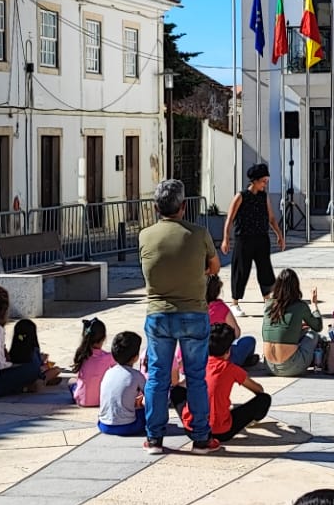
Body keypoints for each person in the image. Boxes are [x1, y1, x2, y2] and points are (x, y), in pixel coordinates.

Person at [136, 180, 222, 456]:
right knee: (196, 376)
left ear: (154, 207)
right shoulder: (199, 234)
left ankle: (154, 439)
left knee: (157, 377)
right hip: (194, 312)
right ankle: (200, 438)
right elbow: (215, 267)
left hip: (159, 313)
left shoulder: (145, 235)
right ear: (184, 207)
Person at [178, 324, 272, 443]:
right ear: (228, 351)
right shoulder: (231, 368)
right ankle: (253, 419)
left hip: (192, 429)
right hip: (221, 432)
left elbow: (183, 385)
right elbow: (258, 390)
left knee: (177, 391)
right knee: (264, 399)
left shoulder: (198, 364)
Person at [221, 162, 284, 304]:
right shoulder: (241, 196)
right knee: (241, 270)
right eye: (263, 181)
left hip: (261, 237)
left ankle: (267, 299)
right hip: (244, 238)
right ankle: (235, 302)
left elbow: (271, 218)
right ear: (255, 181)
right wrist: (226, 238)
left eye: (266, 181)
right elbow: (230, 218)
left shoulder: (263, 196)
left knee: (265, 268)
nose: (265, 184)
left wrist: (279, 235)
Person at [261, 270, 324, 378]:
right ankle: (319, 360)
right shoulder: (300, 306)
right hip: (291, 367)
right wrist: (314, 305)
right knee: (312, 334)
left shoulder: (269, 304)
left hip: (269, 366)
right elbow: (317, 326)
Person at [96, 331, 148, 436]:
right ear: (135, 357)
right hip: (128, 427)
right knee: (145, 412)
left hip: (103, 425)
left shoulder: (108, 372)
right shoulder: (136, 375)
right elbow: (150, 395)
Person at [6, 319, 62, 388]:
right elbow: (38, 366)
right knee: (57, 370)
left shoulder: (14, 350)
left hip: (17, 375)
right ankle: (44, 381)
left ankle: (44, 381)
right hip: (32, 376)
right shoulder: (34, 350)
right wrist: (42, 359)